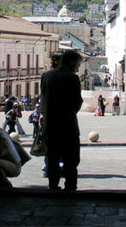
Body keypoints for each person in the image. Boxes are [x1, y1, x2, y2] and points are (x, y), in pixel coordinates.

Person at [40, 49, 83, 191]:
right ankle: (70, 186)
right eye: (77, 65)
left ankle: (53, 185)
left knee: (52, 158)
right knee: (71, 160)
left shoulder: (46, 76)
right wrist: (68, 113)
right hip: (68, 126)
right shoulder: (72, 78)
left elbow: (43, 99)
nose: (78, 68)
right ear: (71, 63)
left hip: (50, 125)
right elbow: (77, 102)